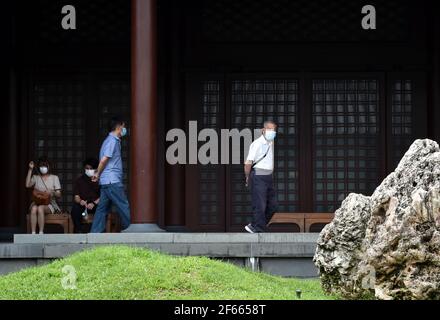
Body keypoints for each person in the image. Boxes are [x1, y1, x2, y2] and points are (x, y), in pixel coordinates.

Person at [90, 117, 131, 233]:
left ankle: (95, 233)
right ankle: (132, 230)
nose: (125, 129)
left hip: (106, 182)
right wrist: (97, 173)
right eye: (123, 126)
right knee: (123, 205)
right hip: (112, 181)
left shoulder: (109, 140)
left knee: (102, 209)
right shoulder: (112, 141)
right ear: (118, 127)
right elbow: (104, 159)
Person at [243, 120, 278, 233]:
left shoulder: (271, 143)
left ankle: (255, 225)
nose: (272, 132)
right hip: (258, 174)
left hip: (268, 176)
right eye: (269, 129)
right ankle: (258, 228)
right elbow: (248, 162)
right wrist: (248, 176)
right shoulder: (257, 143)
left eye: (274, 130)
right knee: (260, 204)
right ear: (263, 130)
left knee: (273, 205)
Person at [25, 157, 62, 234]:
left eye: (45, 166)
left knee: (40, 208)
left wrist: (52, 191)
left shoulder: (54, 178)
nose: (43, 168)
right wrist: (30, 169)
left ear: (49, 166)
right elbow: (27, 185)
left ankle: (41, 232)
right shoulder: (36, 177)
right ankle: (33, 232)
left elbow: (59, 194)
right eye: (41, 166)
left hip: (49, 203)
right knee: (34, 208)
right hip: (37, 201)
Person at [70, 158, 100, 233]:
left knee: (102, 209)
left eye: (91, 168)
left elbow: (103, 196)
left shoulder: (100, 180)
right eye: (87, 168)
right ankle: (78, 231)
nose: (89, 170)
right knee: (75, 209)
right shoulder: (79, 180)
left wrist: (94, 203)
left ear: (96, 169)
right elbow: (76, 196)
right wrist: (80, 201)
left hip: (95, 204)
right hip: (83, 204)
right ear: (84, 168)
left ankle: (99, 231)